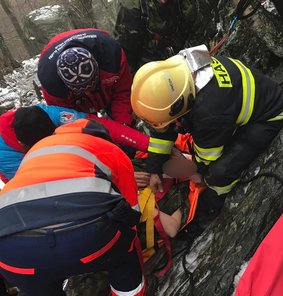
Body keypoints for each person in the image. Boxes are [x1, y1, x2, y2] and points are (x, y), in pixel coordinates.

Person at [130, 45, 283, 232]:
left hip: (269, 118)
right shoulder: (178, 75)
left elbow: (207, 158)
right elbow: (164, 130)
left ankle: (212, 210)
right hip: (244, 106)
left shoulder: (209, 112)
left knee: (219, 173)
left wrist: (198, 173)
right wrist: (154, 169)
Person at [0, 119, 145, 296]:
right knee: (124, 255)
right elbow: (131, 212)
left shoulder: (36, 150)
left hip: (11, 250)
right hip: (86, 236)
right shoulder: (107, 148)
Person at [0, 104, 163, 184]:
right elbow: (50, 185)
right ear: (24, 145)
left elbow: (104, 126)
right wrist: (117, 177)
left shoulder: (46, 114)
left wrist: (155, 146)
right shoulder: (7, 158)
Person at [37, 28, 134, 126]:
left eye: (92, 86)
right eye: (81, 90)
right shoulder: (52, 84)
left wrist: (124, 124)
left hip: (103, 61)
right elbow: (68, 117)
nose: (88, 91)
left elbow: (122, 92)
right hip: (76, 102)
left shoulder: (112, 56)